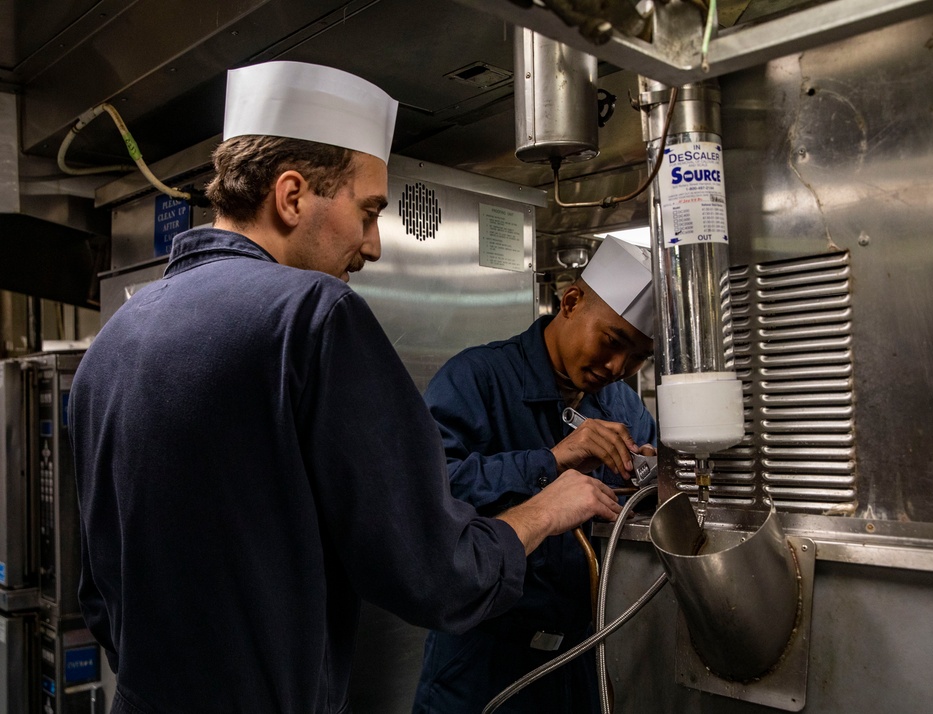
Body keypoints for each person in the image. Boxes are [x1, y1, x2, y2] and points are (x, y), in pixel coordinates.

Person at [68, 60, 622, 714]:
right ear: (293, 195)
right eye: (367, 212)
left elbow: (98, 598)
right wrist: (547, 509)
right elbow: (435, 573)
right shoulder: (313, 316)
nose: (373, 244)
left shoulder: (114, 338)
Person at [412, 236, 658, 713]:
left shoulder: (622, 403)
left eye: (637, 358)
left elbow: (647, 502)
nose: (616, 367)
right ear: (570, 302)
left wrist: (649, 474)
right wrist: (550, 461)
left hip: (581, 657)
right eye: (611, 343)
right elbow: (428, 490)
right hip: (482, 663)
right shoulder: (477, 378)